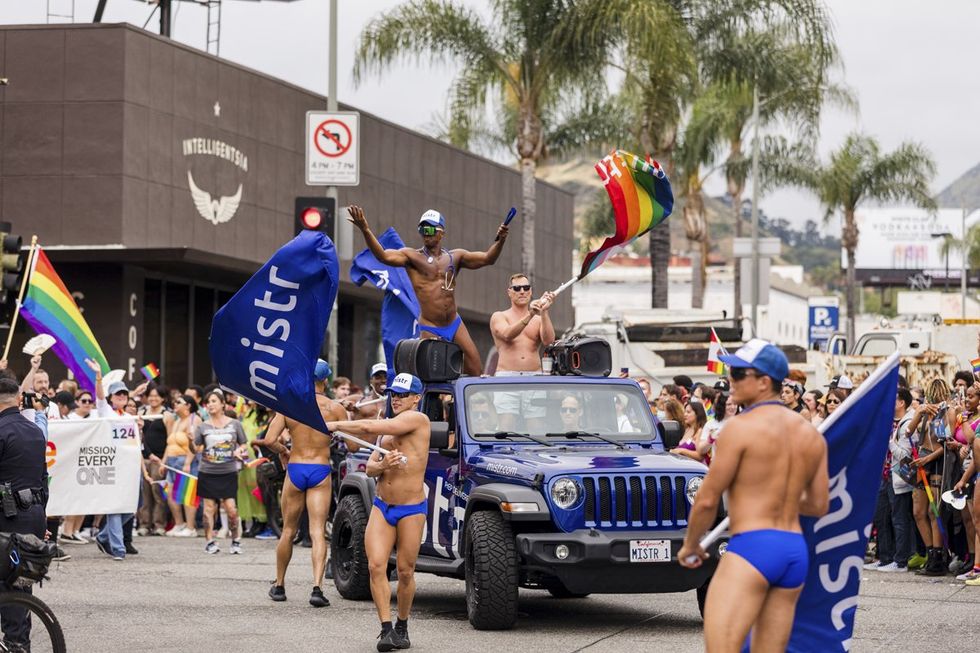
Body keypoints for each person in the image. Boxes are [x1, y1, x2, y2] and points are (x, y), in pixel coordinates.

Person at [679, 339, 829, 652]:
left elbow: (707, 499)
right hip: (793, 551)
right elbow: (818, 505)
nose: (729, 379)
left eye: (738, 373)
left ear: (763, 382)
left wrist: (691, 545)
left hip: (754, 546)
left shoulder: (738, 428)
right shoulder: (810, 434)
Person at [324, 373, 431, 652]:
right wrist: (383, 466)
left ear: (416, 398)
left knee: (405, 571)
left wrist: (335, 424)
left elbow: (369, 424)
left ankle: (402, 626)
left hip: (411, 509)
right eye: (394, 394)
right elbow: (371, 468)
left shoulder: (418, 420)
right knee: (375, 566)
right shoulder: (387, 430)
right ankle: (386, 629)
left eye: (403, 395)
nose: (396, 399)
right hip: (383, 506)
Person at [347, 205, 508, 376]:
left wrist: (501, 240)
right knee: (433, 375)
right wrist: (365, 229)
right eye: (422, 229)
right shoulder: (412, 257)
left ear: (441, 232)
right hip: (430, 325)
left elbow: (488, 258)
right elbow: (383, 256)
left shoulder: (455, 257)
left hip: (454, 323)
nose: (426, 233)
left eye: (430, 229)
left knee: (476, 370)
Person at [263, 360, 346, 607]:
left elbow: (269, 440)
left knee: (288, 531)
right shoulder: (335, 408)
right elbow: (352, 445)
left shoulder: (290, 405)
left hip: (297, 467)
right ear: (326, 381)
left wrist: (283, 451)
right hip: (320, 468)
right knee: (317, 531)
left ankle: (279, 585)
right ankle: (317, 588)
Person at [0, 376, 50, 647]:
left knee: (7, 583)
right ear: (19, 399)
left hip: (6, 516)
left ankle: (15, 645)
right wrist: (42, 517)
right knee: (21, 581)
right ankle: (19, 643)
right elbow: (43, 479)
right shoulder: (35, 431)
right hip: (33, 514)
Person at [490, 273, 556, 430]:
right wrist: (531, 313)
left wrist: (544, 312)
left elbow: (549, 342)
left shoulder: (538, 319)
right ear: (509, 292)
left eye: (526, 288)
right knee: (506, 426)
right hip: (507, 376)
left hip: (534, 377)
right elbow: (507, 334)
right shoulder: (499, 316)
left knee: (536, 427)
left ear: (531, 291)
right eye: (517, 288)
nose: (522, 292)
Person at [193, 391, 249, 555]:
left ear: (223, 403)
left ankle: (236, 540)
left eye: (213, 401)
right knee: (208, 509)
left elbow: (244, 444)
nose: (210, 405)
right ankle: (210, 541)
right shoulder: (203, 426)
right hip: (207, 471)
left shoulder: (235, 424)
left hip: (228, 471)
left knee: (231, 509)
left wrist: (239, 450)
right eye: (207, 402)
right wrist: (190, 440)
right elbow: (195, 448)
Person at [907, 378, 952, 576]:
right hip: (921, 462)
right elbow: (907, 432)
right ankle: (930, 553)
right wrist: (919, 412)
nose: (936, 398)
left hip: (937, 463)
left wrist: (927, 459)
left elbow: (946, 443)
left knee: (934, 512)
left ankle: (938, 559)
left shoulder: (948, 411)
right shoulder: (924, 411)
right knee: (918, 512)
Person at [156, 394, 200, 537]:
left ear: (188, 405)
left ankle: (191, 527)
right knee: (170, 493)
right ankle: (179, 523)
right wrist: (163, 462)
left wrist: (188, 462)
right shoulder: (176, 421)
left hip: (185, 460)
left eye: (179, 402)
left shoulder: (194, 419)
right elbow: (169, 444)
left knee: (187, 493)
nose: (175, 404)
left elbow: (196, 444)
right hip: (171, 461)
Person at [137, 385, 172, 537]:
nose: (153, 399)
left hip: (159, 460)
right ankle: (144, 524)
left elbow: (170, 440)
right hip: (144, 459)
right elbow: (138, 437)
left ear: (163, 398)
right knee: (144, 493)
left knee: (158, 493)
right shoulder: (141, 413)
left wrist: (164, 461)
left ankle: (159, 524)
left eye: (157, 396)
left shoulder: (167, 415)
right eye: (151, 395)